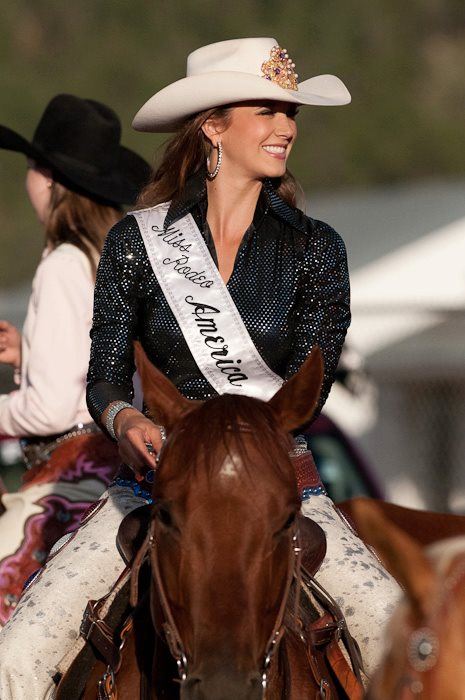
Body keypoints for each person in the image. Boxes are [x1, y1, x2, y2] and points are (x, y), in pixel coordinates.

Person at [0, 39, 400, 698]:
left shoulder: (316, 249)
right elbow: (102, 375)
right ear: (212, 124)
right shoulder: (136, 242)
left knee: (393, 634)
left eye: (290, 113)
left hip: (283, 490)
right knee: (15, 654)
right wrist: (124, 417)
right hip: (155, 487)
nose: (285, 128)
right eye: (266, 110)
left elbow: (309, 387)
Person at [0, 94, 151, 625]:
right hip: (120, 475)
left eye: (31, 169)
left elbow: (49, 410)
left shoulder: (61, 265)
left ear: (48, 178)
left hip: (68, 485)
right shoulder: (115, 256)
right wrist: (31, 354)